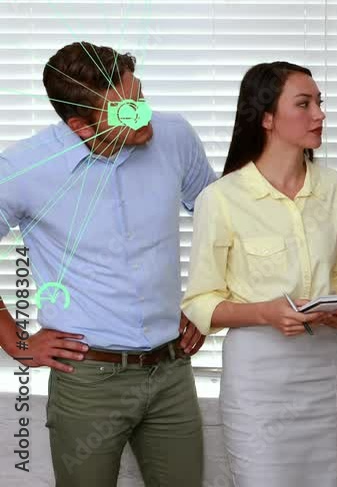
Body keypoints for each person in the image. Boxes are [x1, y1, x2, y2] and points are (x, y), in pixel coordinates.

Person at [0, 41, 215, 485]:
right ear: (79, 125)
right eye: (125, 112)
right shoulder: (23, 168)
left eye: (140, 98)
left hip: (172, 371)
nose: (143, 116)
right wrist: (17, 343)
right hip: (88, 382)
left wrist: (207, 302)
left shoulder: (174, 136)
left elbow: (222, 224)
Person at [181, 61, 337, 486]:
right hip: (260, 377)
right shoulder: (222, 198)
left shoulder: (336, 188)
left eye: (320, 103)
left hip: (327, 369)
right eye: (304, 104)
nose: (319, 114)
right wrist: (267, 313)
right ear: (266, 117)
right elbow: (200, 302)